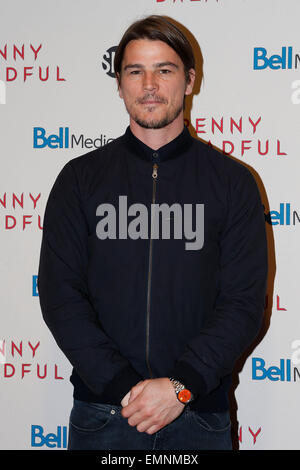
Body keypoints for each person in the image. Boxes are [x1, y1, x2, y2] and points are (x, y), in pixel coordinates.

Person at [37, 15, 268, 451]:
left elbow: (243, 303)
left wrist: (180, 388)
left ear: (189, 80)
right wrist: (125, 389)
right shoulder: (79, 179)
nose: (149, 84)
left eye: (164, 70)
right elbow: (60, 296)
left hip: (198, 414)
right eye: (134, 71)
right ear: (120, 83)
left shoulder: (232, 182)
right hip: (104, 413)